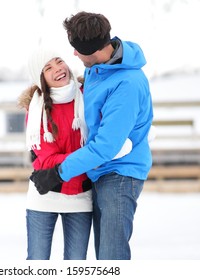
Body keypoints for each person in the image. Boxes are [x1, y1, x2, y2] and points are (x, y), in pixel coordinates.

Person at [30, 12, 154, 260]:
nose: (73, 55)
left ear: (92, 49)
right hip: (100, 172)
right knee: (102, 257)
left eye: (76, 49)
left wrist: (58, 172)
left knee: (111, 258)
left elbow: (104, 148)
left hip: (119, 175)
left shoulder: (125, 84)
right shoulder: (98, 70)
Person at [18, 48, 133, 260]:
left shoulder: (89, 96)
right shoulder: (36, 110)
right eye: (48, 68)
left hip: (81, 196)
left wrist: (96, 153)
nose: (58, 69)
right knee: (37, 261)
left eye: (58, 61)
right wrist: (92, 157)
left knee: (75, 264)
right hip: (45, 193)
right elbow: (48, 159)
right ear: (40, 77)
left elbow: (107, 132)